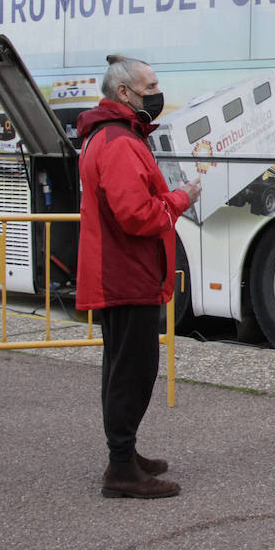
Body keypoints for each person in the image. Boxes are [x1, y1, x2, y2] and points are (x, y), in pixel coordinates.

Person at [77, 54, 202, 499]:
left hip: (122, 273)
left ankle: (125, 455)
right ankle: (121, 468)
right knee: (133, 371)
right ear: (124, 93)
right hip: (128, 275)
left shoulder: (110, 137)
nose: (157, 92)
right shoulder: (120, 142)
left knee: (124, 368)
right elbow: (137, 215)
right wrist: (180, 198)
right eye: (150, 86)